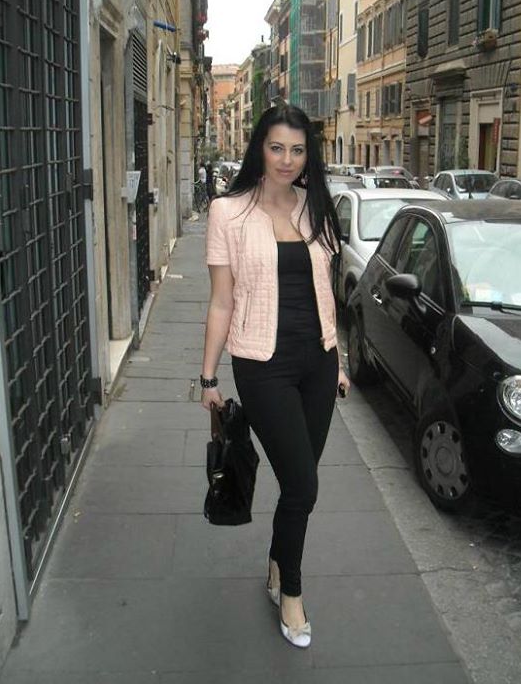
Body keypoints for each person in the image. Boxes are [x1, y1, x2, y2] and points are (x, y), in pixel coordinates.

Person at [200, 104, 350, 649]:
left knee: (297, 485)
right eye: (277, 147)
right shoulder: (228, 212)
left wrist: (339, 359)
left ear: (309, 155)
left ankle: (276, 563)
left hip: (318, 363)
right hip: (262, 365)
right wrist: (208, 378)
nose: (287, 160)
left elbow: (327, 293)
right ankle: (290, 591)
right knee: (304, 485)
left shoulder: (316, 207)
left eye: (297, 150)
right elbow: (221, 301)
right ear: (259, 148)